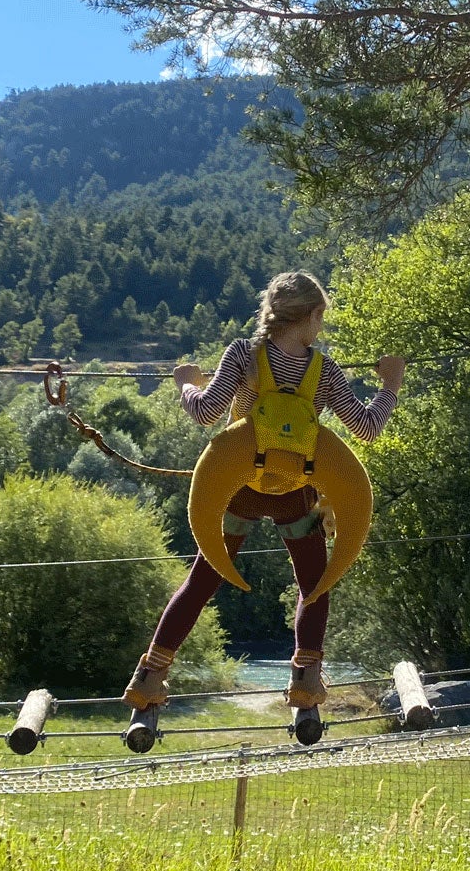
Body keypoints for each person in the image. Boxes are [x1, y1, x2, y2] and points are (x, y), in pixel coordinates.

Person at [124, 271, 404, 716]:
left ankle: (150, 676)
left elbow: (205, 413)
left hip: (241, 487)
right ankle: (306, 681)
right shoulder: (323, 368)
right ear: (313, 315)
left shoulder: (243, 354)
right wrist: (390, 384)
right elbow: (366, 428)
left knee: (202, 580)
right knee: (314, 584)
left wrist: (185, 381)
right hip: (297, 490)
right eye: (321, 318)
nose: (321, 327)